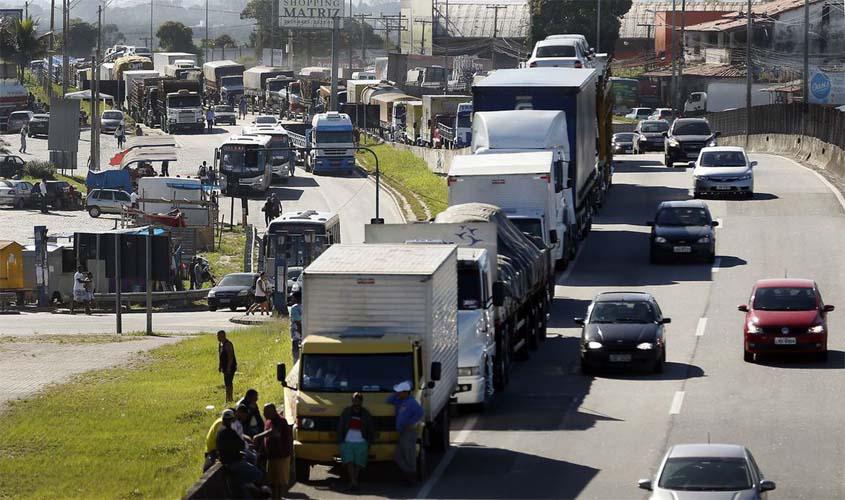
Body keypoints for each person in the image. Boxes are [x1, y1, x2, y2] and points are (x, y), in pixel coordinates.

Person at [216, 409, 263, 497]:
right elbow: (240, 445)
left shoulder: (220, 432)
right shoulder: (229, 432)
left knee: (240, 488)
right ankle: (250, 486)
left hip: (230, 462)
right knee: (258, 474)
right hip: (234, 462)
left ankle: (246, 485)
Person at [387, 381, 424, 485]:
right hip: (403, 432)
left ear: (405, 392)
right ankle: (409, 475)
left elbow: (420, 412)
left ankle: (412, 478)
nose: (397, 393)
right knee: (398, 456)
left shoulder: (411, 403)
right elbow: (388, 400)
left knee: (409, 456)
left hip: (409, 432)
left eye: (399, 392)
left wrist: (411, 423)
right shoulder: (400, 401)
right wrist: (396, 394)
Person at [254, 403, 292, 499]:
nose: (264, 414)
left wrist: (258, 436)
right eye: (264, 412)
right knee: (272, 481)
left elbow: (275, 432)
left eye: (266, 412)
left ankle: (278, 497)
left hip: (281, 456)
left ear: (273, 411)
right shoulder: (268, 421)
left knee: (279, 482)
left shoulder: (281, 421)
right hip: (271, 456)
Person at [338, 393, 375, 490]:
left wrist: (369, 442)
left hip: (361, 442)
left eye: (358, 400)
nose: (356, 402)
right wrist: (341, 440)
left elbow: (370, 428)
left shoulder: (366, 413)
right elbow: (341, 426)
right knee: (349, 461)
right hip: (347, 441)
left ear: (361, 402)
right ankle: (354, 481)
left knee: (358, 463)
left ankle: (354, 481)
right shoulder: (346, 412)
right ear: (352, 401)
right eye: (354, 400)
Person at [218, 330, 237, 402]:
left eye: (219, 336)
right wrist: (220, 366)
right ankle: (228, 398)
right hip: (224, 366)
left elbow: (230, 356)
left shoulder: (228, 344)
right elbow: (220, 355)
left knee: (228, 383)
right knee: (227, 383)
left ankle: (230, 399)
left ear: (223, 336)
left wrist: (229, 367)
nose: (218, 337)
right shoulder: (220, 344)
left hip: (230, 367)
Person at [288, 291, 302, 362]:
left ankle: (296, 367)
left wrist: (301, 334)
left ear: (296, 298)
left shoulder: (294, 308)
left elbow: (298, 322)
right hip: (304, 334)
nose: (291, 299)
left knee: (296, 355)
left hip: (297, 335)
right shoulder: (304, 306)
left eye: (292, 298)